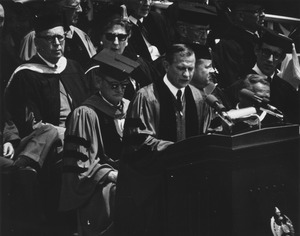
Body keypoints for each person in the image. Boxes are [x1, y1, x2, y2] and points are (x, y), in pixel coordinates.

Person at [114, 44, 211, 236]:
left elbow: (205, 134)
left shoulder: (198, 97)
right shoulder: (146, 96)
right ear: (166, 65)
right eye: (181, 68)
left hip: (186, 181)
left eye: (191, 68)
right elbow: (138, 142)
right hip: (153, 183)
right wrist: (177, 151)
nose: (186, 74)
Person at [59, 50, 139, 236]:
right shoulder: (86, 113)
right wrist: (110, 174)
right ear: (99, 82)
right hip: (99, 182)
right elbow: (80, 164)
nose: (120, 90)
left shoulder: (130, 107)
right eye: (114, 85)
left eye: (124, 86)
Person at [5, 10, 89, 157]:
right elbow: (31, 124)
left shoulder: (74, 67)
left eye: (60, 37)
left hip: (84, 136)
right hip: (52, 147)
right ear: (37, 43)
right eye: (50, 38)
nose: (57, 44)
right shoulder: (26, 75)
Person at [87, 3, 160, 100]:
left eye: (121, 37)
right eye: (110, 37)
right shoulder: (95, 69)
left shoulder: (137, 62)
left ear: (127, 40)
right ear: (101, 39)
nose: (116, 42)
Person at [19, 0, 97, 69]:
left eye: (80, 5)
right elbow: (30, 73)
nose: (80, 10)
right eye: (74, 6)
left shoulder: (81, 35)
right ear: (58, 8)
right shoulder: (35, 37)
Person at [249, 27, 299, 124]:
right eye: (266, 52)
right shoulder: (240, 82)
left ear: (282, 58)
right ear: (257, 50)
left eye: (276, 55)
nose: (270, 60)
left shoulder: (287, 89)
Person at [211, 1, 265, 89]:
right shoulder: (229, 45)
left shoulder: (258, 40)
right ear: (241, 16)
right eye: (257, 11)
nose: (263, 15)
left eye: (263, 10)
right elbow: (232, 82)